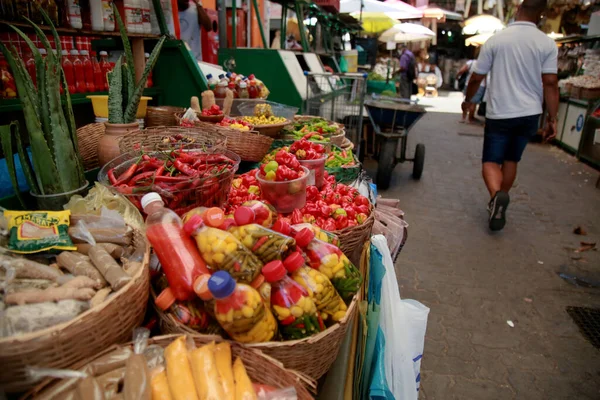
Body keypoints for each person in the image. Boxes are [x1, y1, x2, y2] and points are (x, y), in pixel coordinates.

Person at [462, 0, 558, 231]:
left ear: (517, 10)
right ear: (541, 15)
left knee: (490, 161)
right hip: (530, 113)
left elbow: (476, 77)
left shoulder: (496, 40)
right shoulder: (547, 44)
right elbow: (551, 83)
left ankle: (497, 197)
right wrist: (552, 119)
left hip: (500, 112)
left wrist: (468, 100)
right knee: (511, 160)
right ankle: (500, 199)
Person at [457, 50, 486, 123]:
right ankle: (470, 118)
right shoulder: (485, 64)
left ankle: (463, 117)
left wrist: (457, 76)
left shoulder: (471, 62)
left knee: (467, 100)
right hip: (481, 85)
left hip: (468, 84)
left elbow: (461, 70)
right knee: (473, 102)